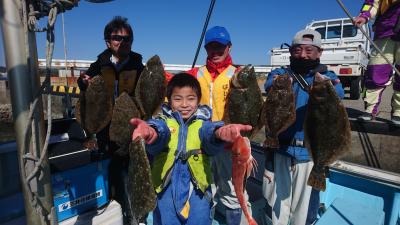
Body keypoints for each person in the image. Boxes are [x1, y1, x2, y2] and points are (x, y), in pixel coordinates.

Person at [130, 73, 252, 225]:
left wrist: (220, 134)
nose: (184, 104)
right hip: (165, 192)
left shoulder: (203, 124)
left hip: (198, 193)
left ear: (198, 100)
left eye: (191, 98)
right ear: (169, 101)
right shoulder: (162, 122)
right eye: (178, 99)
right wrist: (150, 133)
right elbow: (160, 132)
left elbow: (210, 135)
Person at [262, 29, 345, 225]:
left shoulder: (328, 76)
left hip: (309, 154)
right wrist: (278, 83)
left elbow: (339, 93)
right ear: (291, 52)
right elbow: (268, 84)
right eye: (298, 50)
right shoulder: (281, 73)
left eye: (309, 50)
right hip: (279, 149)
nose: (303, 55)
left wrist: (329, 87)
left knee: (303, 209)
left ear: (319, 52)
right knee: (275, 205)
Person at [77, 16, 144, 225]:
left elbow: (147, 93)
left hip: (129, 127)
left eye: (127, 39)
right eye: (117, 38)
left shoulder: (138, 65)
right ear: (108, 41)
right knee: (111, 169)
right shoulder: (99, 64)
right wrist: (82, 82)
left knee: (131, 171)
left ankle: (132, 212)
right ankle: (114, 206)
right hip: (105, 129)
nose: (122, 42)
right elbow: (85, 88)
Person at [186, 26, 251, 225]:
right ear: (205, 48)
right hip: (201, 143)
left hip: (232, 146)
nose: (215, 52)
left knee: (233, 191)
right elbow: (173, 92)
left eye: (220, 47)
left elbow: (255, 106)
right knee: (205, 190)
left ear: (229, 47)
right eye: (211, 47)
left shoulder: (240, 75)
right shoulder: (194, 74)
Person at [353, 1, 400, 125]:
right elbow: (372, 2)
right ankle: (370, 109)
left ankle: (399, 112)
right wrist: (364, 16)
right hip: (384, 31)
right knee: (375, 72)